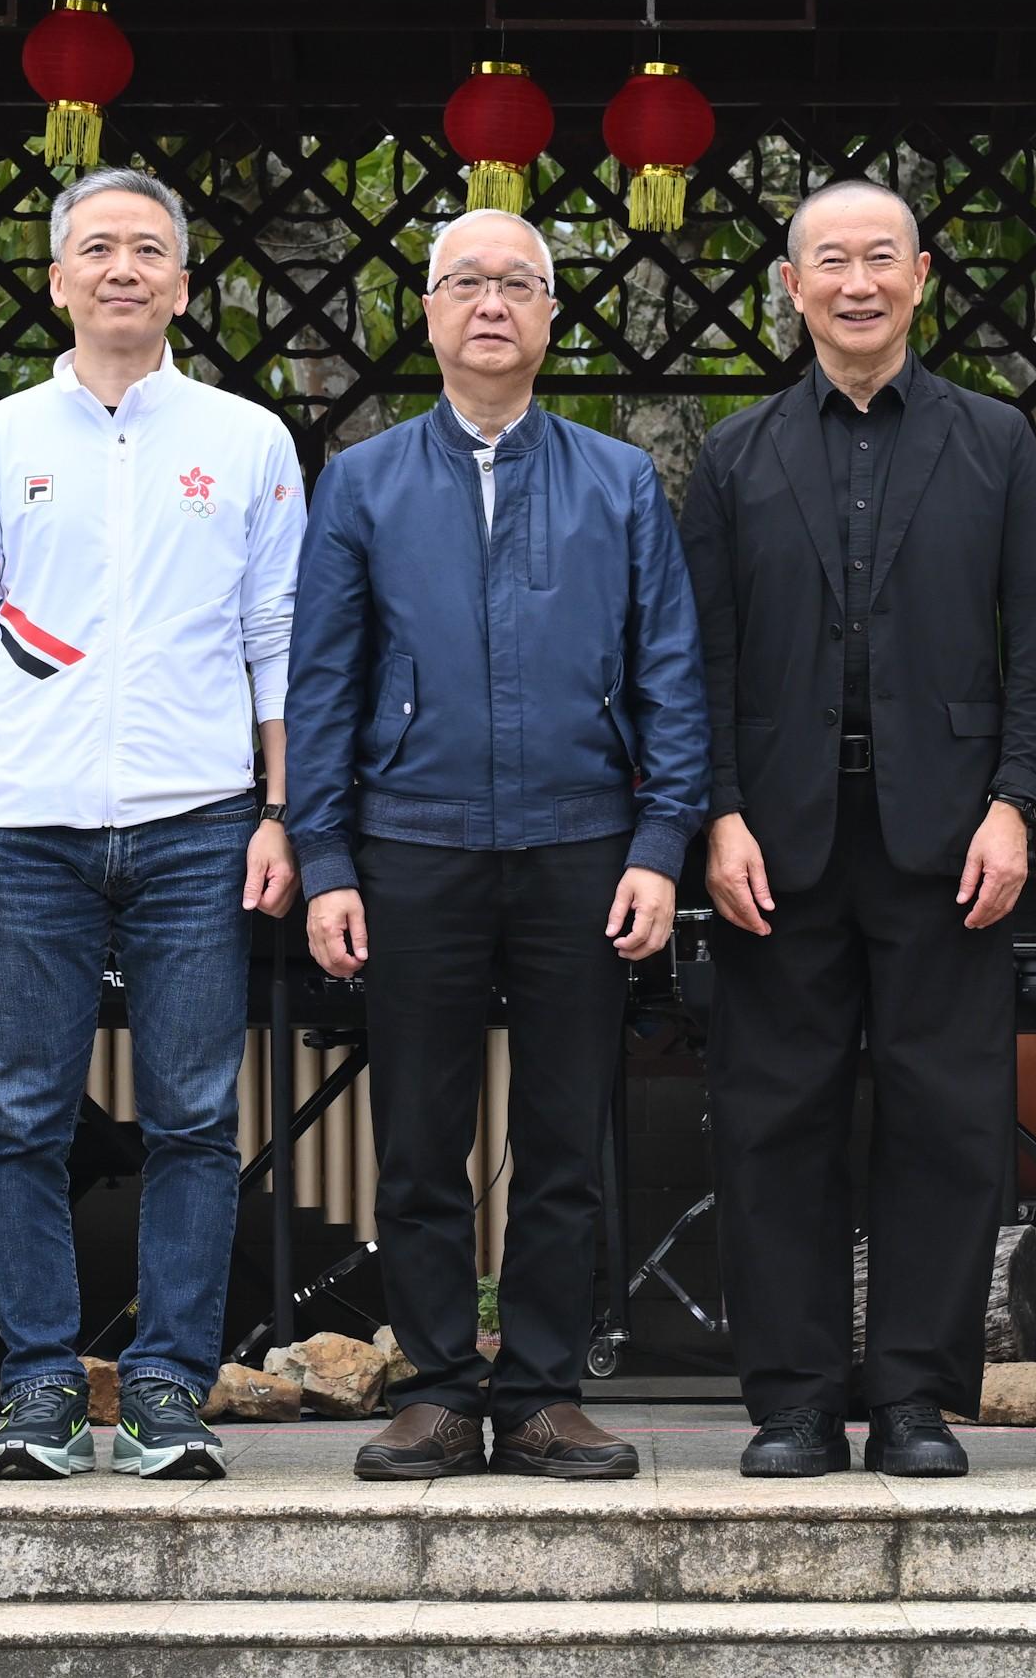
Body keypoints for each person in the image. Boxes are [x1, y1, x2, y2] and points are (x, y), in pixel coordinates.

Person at [291, 207, 708, 1483]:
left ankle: (537, 1389)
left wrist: (659, 840)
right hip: (412, 842)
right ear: (425, 313)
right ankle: (434, 1385)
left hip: (582, 841)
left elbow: (669, 675)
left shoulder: (617, 479)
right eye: (464, 283)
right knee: (420, 1132)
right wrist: (324, 859)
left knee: (568, 1131)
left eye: (516, 284)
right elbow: (323, 682)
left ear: (547, 315)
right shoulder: (363, 481)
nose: (490, 304)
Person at [0, 168, 307, 1483]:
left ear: (183, 282)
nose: (124, 266)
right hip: (25, 823)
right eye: (99, 247)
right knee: (25, 1113)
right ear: (60, 279)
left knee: (197, 1112)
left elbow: (278, 637)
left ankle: (166, 1387)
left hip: (202, 818)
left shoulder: (247, 440)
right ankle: (36, 1385)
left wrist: (277, 810)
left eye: (151, 247)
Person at [680, 178, 1036, 1479]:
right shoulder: (733, 457)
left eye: (880, 257)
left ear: (922, 275)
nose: (856, 281)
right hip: (775, 839)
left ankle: (913, 1394)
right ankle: (791, 1395)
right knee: (772, 1117)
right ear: (790, 286)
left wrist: (1019, 802)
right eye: (828, 260)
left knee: (947, 1117)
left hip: (953, 836)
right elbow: (704, 660)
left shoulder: (997, 439)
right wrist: (715, 811)